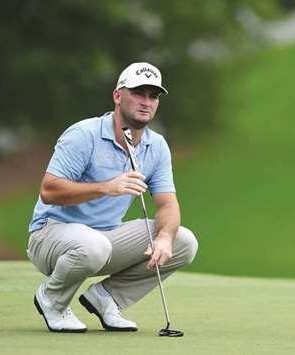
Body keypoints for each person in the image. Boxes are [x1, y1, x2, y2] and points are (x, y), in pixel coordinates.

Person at [26, 62, 198, 333]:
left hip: (105, 237)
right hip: (49, 236)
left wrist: (164, 237)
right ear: (118, 96)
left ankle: (107, 298)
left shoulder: (157, 146)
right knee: (94, 245)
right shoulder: (84, 135)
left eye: (153, 96)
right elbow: (49, 191)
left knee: (183, 240)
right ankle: (53, 300)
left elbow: (167, 203)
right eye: (139, 93)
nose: (146, 102)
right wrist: (106, 187)